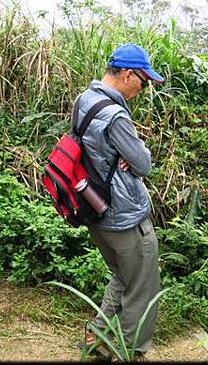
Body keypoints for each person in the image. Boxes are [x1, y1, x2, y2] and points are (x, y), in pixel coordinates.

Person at [76, 44, 164, 360]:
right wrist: (133, 153)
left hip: (95, 209)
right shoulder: (115, 115)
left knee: (123, 276)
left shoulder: (84, 100)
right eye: (143, 81)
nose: (143, 88)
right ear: (127, 74)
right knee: (142, 287)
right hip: (124, 215)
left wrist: (122, 154)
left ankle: (97, 336)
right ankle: (130, 351)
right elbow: (143, 164)